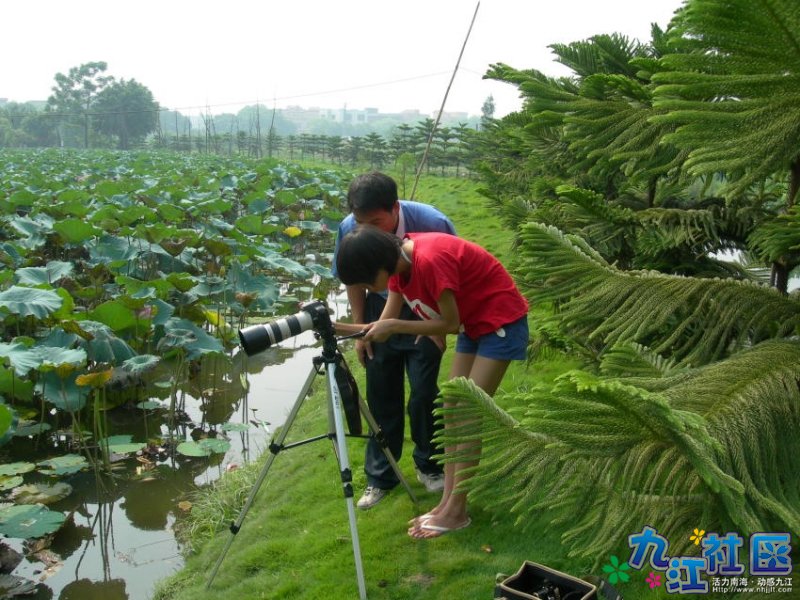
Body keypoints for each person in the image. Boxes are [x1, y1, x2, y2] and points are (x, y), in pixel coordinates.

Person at [334, 226, 529, 539]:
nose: (369, 288)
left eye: (366, 281)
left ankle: (457, 511)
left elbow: (448, 324)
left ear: (378, 265)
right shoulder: (398, 266)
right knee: (450, 408)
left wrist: (398, 326)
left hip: (499, 322)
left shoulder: (429, 260)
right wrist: (334, 327)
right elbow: (382, 324)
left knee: (466, 414)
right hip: (474, 324)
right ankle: (447, 504)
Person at [331, 172, 456, 510]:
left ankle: (429, 465)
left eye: (376, 221)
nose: (368, 230)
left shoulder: (432, 222)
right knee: (381, 391)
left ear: (395, 208)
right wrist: (360, 330)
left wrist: (439, 331)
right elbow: (355, 280)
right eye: (361, 222)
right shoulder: (349, 227)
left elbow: (448, 285)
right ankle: (380, 477)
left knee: (423, 391)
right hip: (378, 305)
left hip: (425, 309)